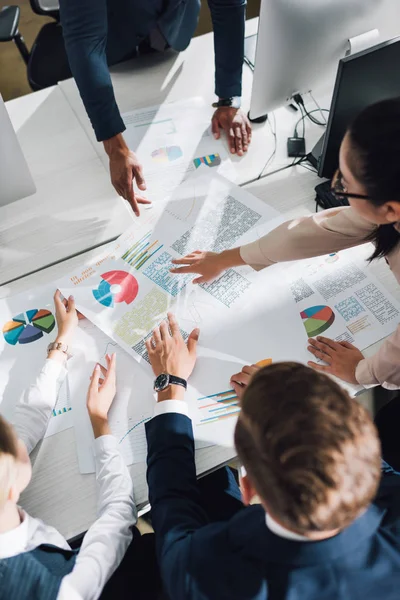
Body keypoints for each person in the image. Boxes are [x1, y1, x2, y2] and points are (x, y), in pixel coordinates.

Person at [144, 313, 400, 600]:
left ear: (248, 488)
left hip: (243, 544)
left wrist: (170, 386)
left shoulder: (204, 573)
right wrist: (283, 409)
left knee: (206, 487)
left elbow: (172, 506)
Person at [170, 97, 400, 390]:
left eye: (345, 185)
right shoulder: (389, 203)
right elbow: (312, 233)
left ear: (391, 209)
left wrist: (363, 373)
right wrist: (224, 259)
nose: (337, 189)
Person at [0, 291, 147, 600]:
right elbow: (118, 515)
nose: (18, 437)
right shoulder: (61, 586)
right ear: (16, 483)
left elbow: (27, 420)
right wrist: (99, 421)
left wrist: (62, 341)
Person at [59, 0, 252, 216]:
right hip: (113, 47)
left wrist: (228, 97)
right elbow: (85, 40)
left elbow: (228, 5)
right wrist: (114, 145)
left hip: (175, 31)